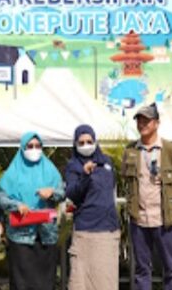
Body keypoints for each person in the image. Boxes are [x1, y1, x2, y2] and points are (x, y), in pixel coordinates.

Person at [121, 103, 172, 290]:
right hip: (139, 220)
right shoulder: (131, 150)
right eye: (139, 120)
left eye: (146, 120)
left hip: (164, 219)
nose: (142, 124)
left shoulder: (170, 150)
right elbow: (126, 181)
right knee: (142, 269)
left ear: (156, 123)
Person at [0, 132, 65, 290]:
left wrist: (52, 193)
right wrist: (16, 205)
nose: (34, 149)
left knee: (46, 283)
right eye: (30, 146)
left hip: (46, 236)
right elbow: (0, 198)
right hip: (21, 237)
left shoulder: (50, 170)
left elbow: (62, 192)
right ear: (22, 148)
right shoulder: (13, 173)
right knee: (22, 284)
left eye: (38, 146)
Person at [65, 124, 120, 290]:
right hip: (85, 232)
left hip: (106, 231)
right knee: (79, 283)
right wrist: (84, 175)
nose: (85, 145)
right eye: (81, 142)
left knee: (105, 283)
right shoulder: (73, 166)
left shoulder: (107, 163)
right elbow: (72, 193)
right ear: (75, 145)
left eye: (89, 141)